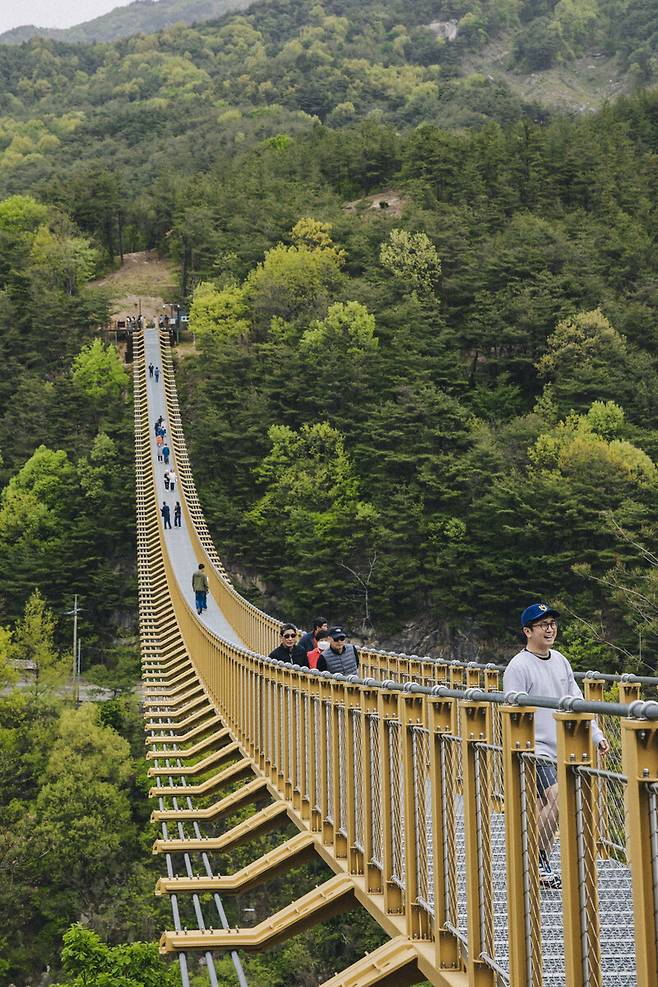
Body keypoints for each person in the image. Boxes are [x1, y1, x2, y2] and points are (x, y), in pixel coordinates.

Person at [503, 602, 609, 889]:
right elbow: (512, 707)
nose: (550, 629)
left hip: (561, 746)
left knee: (545, 808)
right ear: (528, 631)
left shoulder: (561, 660)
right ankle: (535, 861)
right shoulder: (519, 666)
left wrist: (596, 734)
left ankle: (539, 864)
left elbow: (576, 701)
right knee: (557, 800)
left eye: (552, 623)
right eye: (543, 624)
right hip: (534, 749)